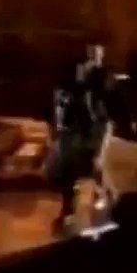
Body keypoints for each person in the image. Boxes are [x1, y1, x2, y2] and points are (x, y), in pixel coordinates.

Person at [46, 64, 98, 230]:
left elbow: (80, 120)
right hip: (68, 139)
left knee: (67, 173)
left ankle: (70, 206)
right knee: (64, 174)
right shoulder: (67, 97)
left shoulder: (72, 98)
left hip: (71, 139)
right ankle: (69, 206)